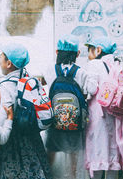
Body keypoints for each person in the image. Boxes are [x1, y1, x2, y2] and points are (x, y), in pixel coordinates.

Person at [0, 43, 52, 179]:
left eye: (1, 57)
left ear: (8, 63)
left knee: (14, 171)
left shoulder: (7, 84)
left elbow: (5, 112)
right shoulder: (27, 79)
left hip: (14, 137)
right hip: (31, 135)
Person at [42, 34, 97, 178]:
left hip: (55, 119)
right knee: (74, 151)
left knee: (51, 148)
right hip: (75, 121)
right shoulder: (81, 73)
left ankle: (48, 174)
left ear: (57, 53)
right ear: (78, 54)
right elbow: (90, 90)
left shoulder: (50, 70)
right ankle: (72, 175)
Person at [84, 37, 123, 179]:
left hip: (98, 116)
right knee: (112, 156)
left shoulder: (94, 64)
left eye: (90, 50)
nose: (88, 54)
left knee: (97, 155)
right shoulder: (117, 65)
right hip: (116, 116)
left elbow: (91, 89)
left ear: (98, 50)